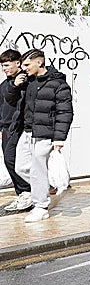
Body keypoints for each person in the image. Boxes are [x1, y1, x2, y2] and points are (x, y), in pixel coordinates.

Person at [5, 49, 73, 223]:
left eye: (27, 64)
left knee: (37, 169)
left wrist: (59, 139)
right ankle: (44, 187)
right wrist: (14, 86)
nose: (24, 68)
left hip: (45, 133)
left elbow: (65, 112)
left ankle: (41, 207)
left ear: (40, 62)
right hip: (26, 131)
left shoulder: (58, 83)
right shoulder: (27, 81)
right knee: (20, 167)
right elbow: (11, 101)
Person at [0, 49, 33, 213]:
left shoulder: (25, 82)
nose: (4, 68)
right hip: (6, 128)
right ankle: (22, 194)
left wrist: (15, 85)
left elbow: (16, 101)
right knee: (9, 161)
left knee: (12, 160)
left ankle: (28, 192)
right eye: (2, 66)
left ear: (17, 63)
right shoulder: (6, 83)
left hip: (17, 127)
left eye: (6, 65)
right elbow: (2, 105)